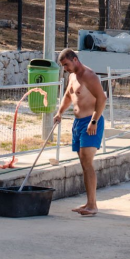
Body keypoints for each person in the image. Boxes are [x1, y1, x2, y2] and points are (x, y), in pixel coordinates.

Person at [54, 48, 106, 217]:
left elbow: (102, 98)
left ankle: (93, 205)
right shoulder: (72, 77)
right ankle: (89, 203)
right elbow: (68, 96)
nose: (65, 68)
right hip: (77, 123)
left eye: (66, 64)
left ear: (75, 59)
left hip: (90, 123)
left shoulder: (88, 76)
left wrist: (94, 121)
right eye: (63, 66)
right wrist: (60, 112)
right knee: (83, 163)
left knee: (87, 162)